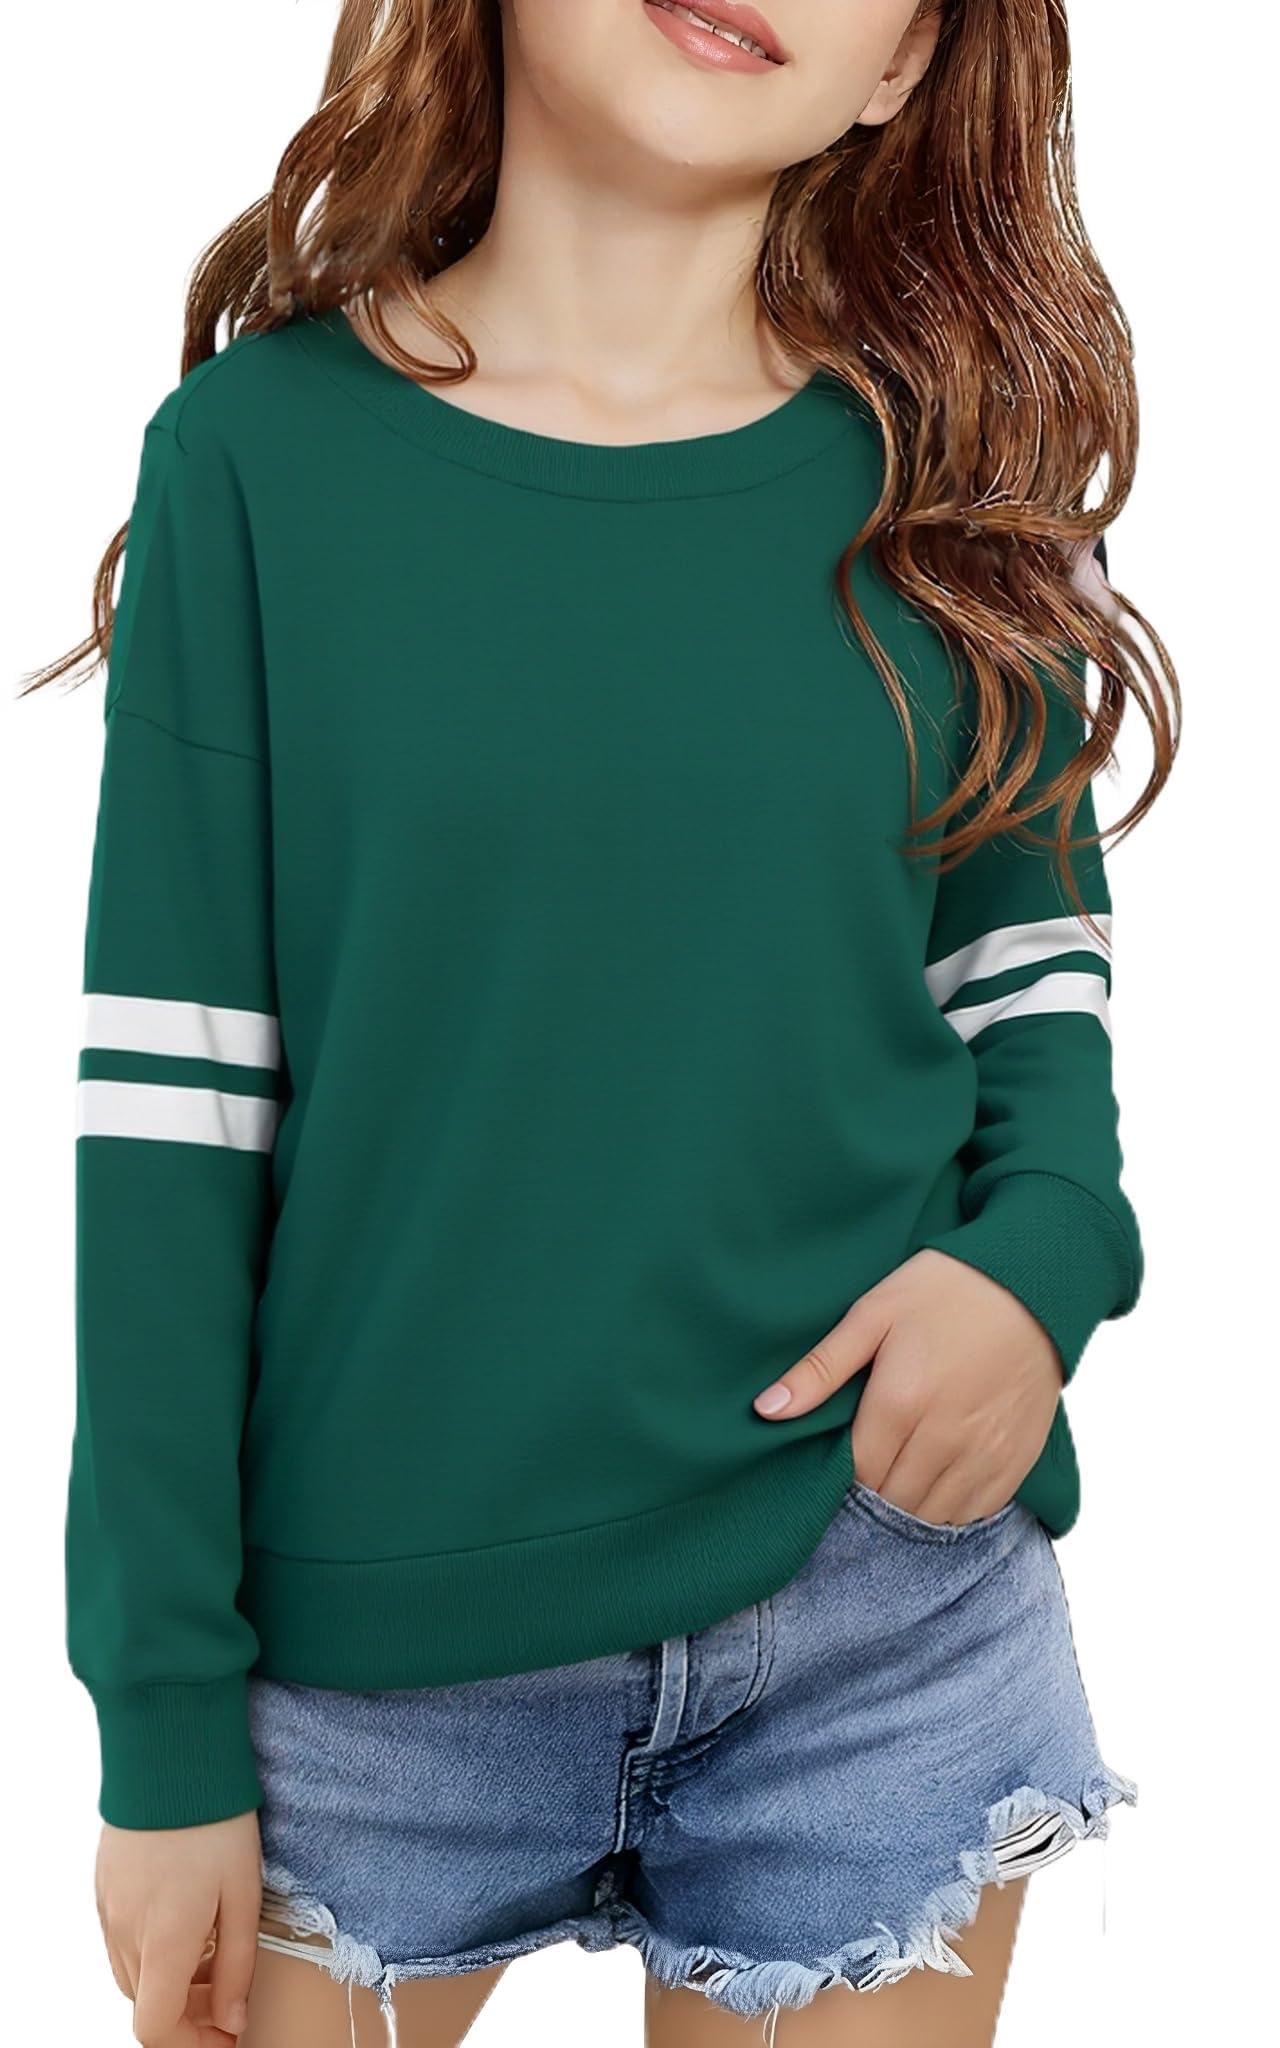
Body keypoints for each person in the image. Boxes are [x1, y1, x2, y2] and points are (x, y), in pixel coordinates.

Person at [31, 3, 1178, 2044]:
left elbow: (1030, 980)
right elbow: (172, 1123)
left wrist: (1038, 1264)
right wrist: (165, 1719)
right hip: (364, 1657)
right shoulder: (259, 462)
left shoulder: (946, 486)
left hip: (879, 1607)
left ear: (904, 63)